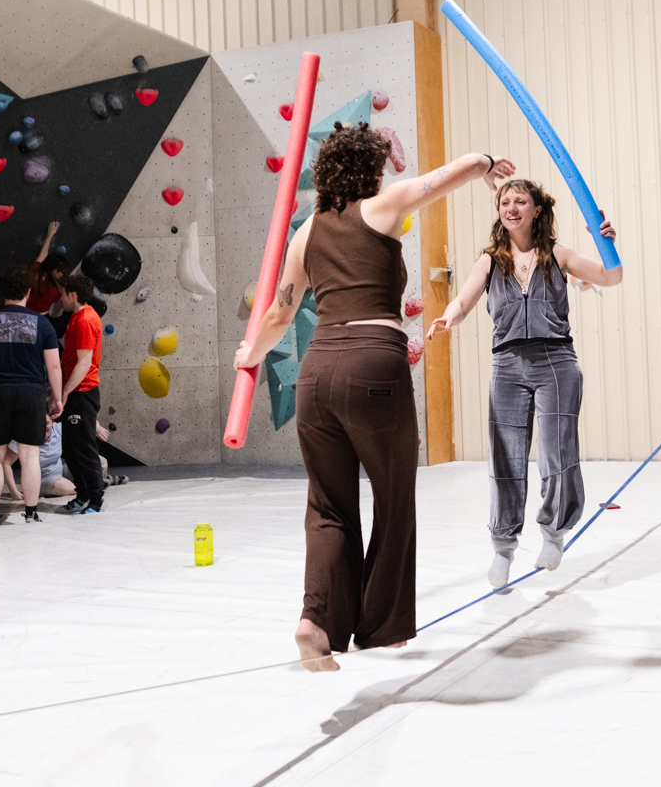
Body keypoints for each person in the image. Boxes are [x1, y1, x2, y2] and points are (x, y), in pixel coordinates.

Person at [235, 124, 515, 671]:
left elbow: (279, 314)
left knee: (328, 506)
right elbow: (449, 173)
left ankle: (316, 620)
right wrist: (487, 162)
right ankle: (382, 627)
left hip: (318, 373)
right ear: (372, 169)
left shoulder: (305, 232)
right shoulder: (384, 206)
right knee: (393, 495)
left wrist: (251, 354)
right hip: (373, 363)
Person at [428, 179, 621, 587]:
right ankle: (503, 548)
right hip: (508, 366)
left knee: (557, 452)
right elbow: (463, 300)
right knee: (506, 459)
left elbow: (611, 276)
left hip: (556, 362)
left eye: (521, 201)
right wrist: (449, 317)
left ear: (537, 210)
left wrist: (605, 242)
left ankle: (554, 534)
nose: (511, 208)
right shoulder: (489, 261)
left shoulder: (558, 254)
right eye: (505, 202)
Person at [0, 265, 63, 526]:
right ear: (28, 292)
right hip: (31, 393)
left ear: (3, 292)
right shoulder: (42, 323)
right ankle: (31, 514)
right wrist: (57, 398)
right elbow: (54, 366)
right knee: (30, 457)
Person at [54, 273, 104, 515]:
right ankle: (83, 495)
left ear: (73, 295)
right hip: (75, 392)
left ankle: (95, 500)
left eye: (63, 294)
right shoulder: (77, 317)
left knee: (85, 450)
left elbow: (84, 363)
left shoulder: (85, 320)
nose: (60, 299)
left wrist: (65, 392)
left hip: (82, 393)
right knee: (71, 450)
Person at [27, 221, 66, 316]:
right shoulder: (57, 292)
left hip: (25, 308)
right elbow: (62, 306)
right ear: (55, 271)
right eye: (62, 271)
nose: (63, 274)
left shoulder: (35, 271)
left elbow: (43, 254)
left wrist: (50, 235)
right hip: (37, 316)